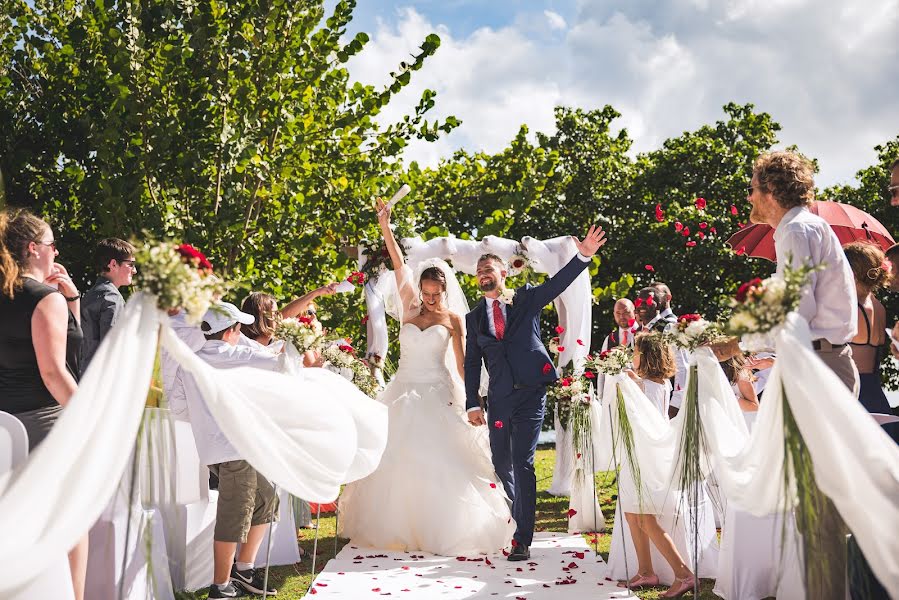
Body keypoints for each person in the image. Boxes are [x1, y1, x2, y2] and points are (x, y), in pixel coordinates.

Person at [337, 198, 515, 556]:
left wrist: (473, 401)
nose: (431, 300)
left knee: (438, 460)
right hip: (402, 390)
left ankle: (443, 529)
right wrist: (385, 227)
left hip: (437, 391)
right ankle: (396, 528)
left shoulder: (453, 319)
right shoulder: (408, 306)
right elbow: (399, 263)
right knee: (395, 459)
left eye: (437, 295)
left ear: (445, 291)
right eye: (427, 293)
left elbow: (463, 364)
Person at [465, 224, 607, 561]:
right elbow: (472, 363)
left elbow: (557, 283)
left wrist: (583, 255)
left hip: (531, 394)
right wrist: (473, 402)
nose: (484, 274)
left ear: (503, 272)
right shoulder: (473, 319)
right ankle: (519, 515)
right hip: (498, 398)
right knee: (502, 462)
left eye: (489, 269)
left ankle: (522, 537)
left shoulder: (525, 297)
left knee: (523, 462)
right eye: (480, 271)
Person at [0, 208, 88, 600]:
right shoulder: (41, 299)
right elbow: (55, 374)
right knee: (73, 519)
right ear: (34, 248)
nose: (56, 253)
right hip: (42, 423)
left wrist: (71, 298)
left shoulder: (22, 295)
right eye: (53, 245)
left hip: (4, 427)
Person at [179, 302, 282, 598]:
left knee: (265, 498)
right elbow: (281, 365)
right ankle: (220, 586)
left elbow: (184, 405)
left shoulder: (193, 360)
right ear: (231, 332)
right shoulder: (233, 354)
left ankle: (243, 569)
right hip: (234, 449)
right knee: (233, 516)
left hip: (218, 449)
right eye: (239, 328)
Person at [619, 332, 696, 598]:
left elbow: (645, 422)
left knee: (644, 517)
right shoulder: (658, 382)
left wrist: (626, 382)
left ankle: (684, 574)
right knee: (631, 513)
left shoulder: (645, 386)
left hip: (645, 454)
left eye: (635, 352)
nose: (632, 356)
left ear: (646, 356)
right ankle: (645, 570)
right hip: (639, 453)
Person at [80, 238, 136, 368]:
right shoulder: (112, 298)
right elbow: (113, 349)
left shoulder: (92, 294)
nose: (134, 271)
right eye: (131, 264)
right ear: (113, 264)